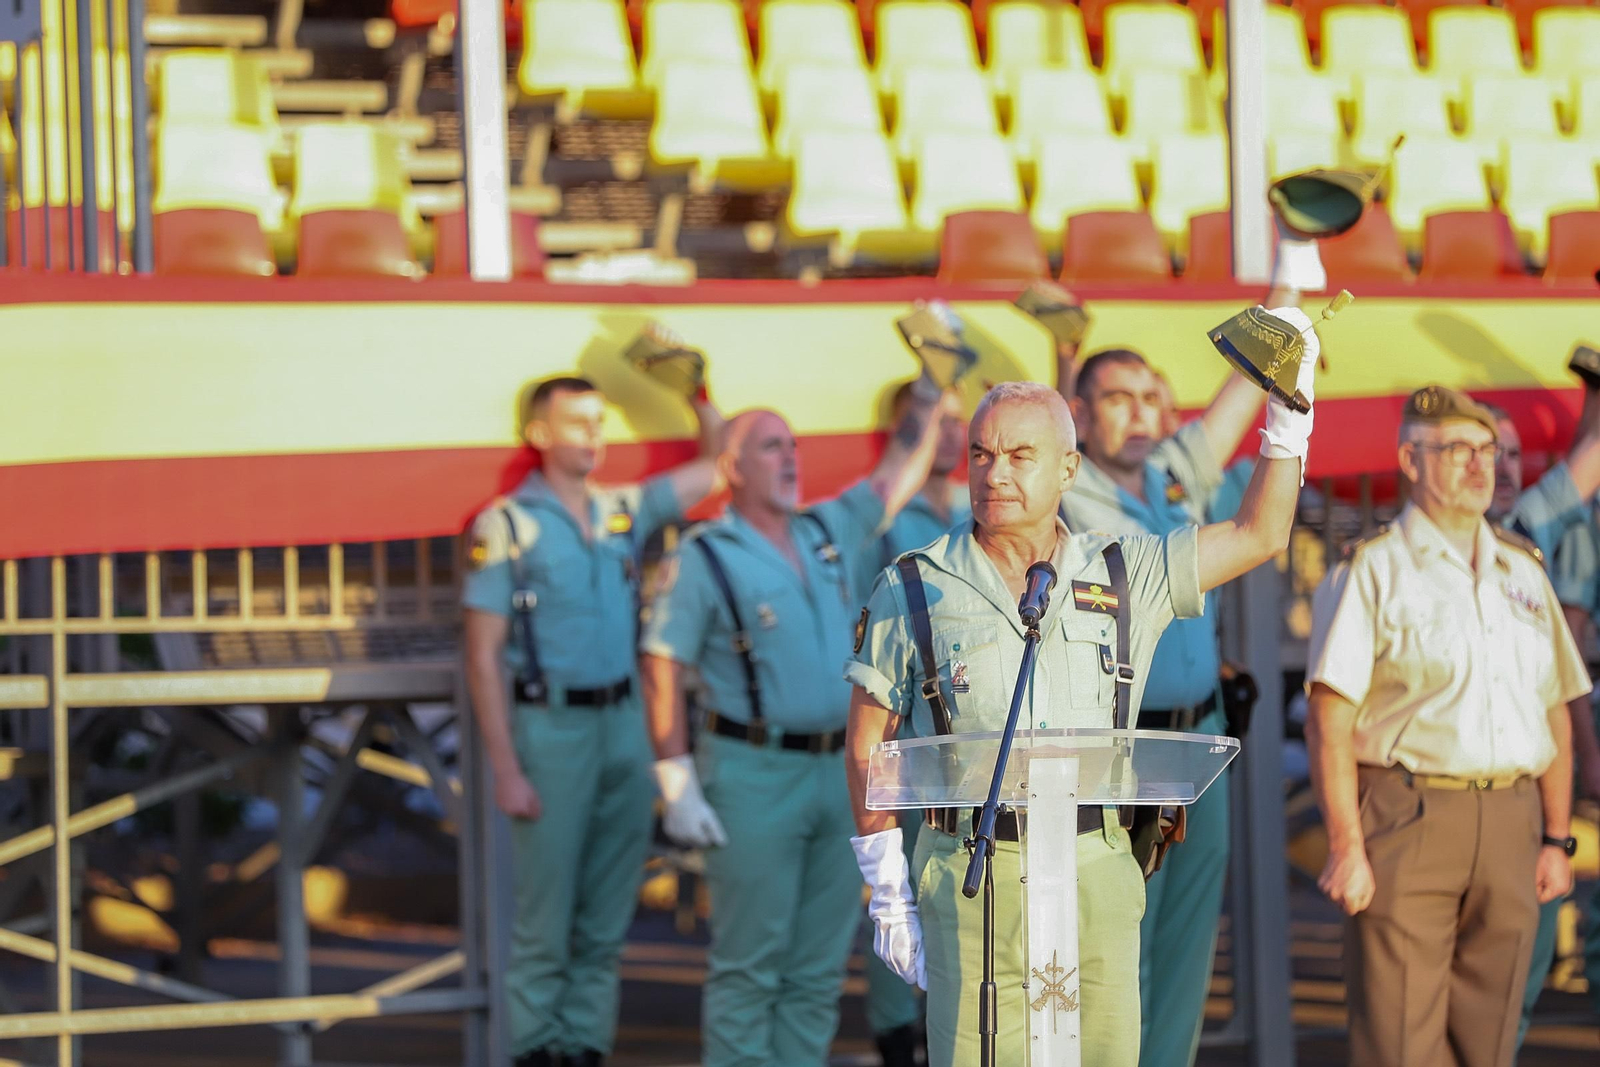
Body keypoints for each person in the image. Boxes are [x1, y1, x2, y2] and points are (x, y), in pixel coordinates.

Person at [844, 306, 1318, 1067]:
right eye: (981, 454)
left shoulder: (1128, 569)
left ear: (1069, 469)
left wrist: (1289, 415)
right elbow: (867, 744)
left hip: (1097, 862)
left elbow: (1260, 532)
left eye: (1020, 454)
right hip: (973, 869)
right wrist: (886, 884)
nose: (995, 472)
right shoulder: (913, 584)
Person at [638, 386, 958, 1067]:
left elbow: (893, 477)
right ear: (731, 467)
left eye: (793, 445)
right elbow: (661, 663)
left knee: (816, 969)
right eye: (770, 446)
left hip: (834, 770)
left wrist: (930, 395)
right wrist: (676, 780)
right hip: (753, 771)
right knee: (751, 964)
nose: (790, 458)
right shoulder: (704, 554)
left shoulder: (822, 531)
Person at [1304, 385, 1590, 1067]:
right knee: (1400, 1038)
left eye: (1488, 449)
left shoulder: (1524, 571)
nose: (1479, 464)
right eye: (1458, 449)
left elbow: (1554, 707)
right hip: (1411, 813)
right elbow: (1330, 718)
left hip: (1514, 819)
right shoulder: (1372, 569)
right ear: (1411, 458)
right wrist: (1346, 844)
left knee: (1489, 1039)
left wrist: (1556, 835)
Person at [461, 375, 725, 1067]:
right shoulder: (508, 525)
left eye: (599, 422)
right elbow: (482, 657)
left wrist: (697, 389)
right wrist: (507, 768)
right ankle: (535, 1049)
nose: (594, 435)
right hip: (551, 730)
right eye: (576, 422)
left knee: (607, 918)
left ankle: (583, 1048)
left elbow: (714, 467)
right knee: (546, 922)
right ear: (538, 434)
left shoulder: (620, 510)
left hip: (624, 727)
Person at [1056, 345, 1268, 1067]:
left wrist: (1287, 295)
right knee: (1120, 947)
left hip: (1201, 735)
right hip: (1121, 747)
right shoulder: (1059, 485)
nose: (1141, 411)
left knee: (1186, 948)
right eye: (1118, 398)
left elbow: (1244, 394)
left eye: (1151, 396)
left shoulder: (1173, 475)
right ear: (1079, 413)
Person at [857, 380, 970, 1067]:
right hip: (897, 729)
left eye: (960, 421)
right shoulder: (886, 514)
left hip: (957, 736)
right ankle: (897, 1031)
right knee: (895, 888)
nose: (949, 435)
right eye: (933, 421)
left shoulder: (970, 511)